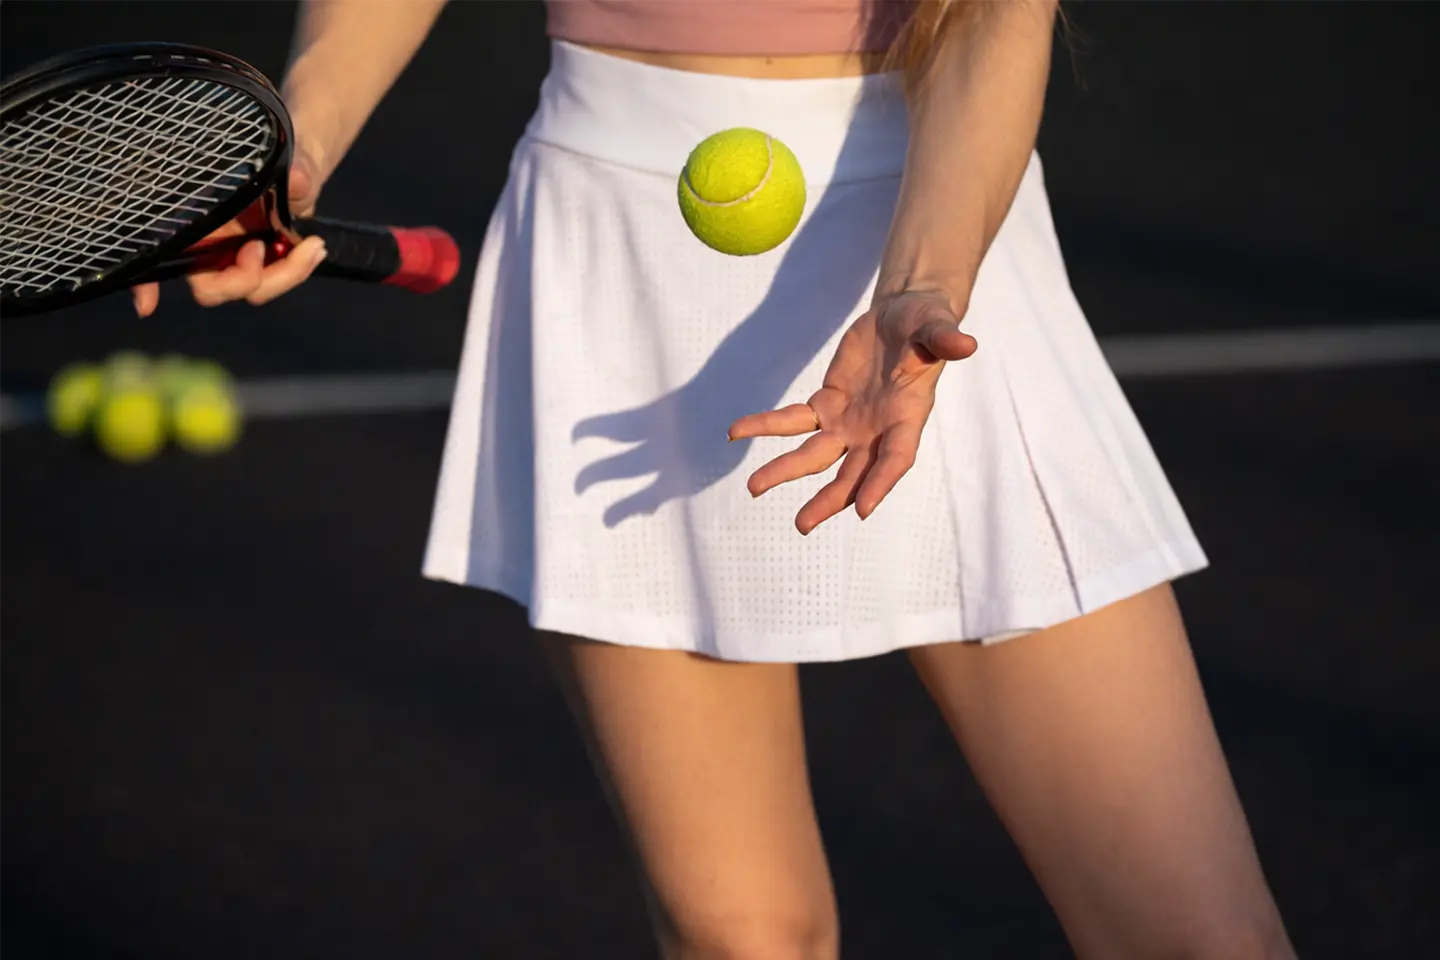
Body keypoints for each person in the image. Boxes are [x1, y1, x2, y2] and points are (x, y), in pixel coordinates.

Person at [135, 1, 1297, 956]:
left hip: (937, 254)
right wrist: (303, 151)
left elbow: (996, 15)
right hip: (617, 240)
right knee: (739, 935)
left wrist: (917, 288)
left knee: (1192, 939)